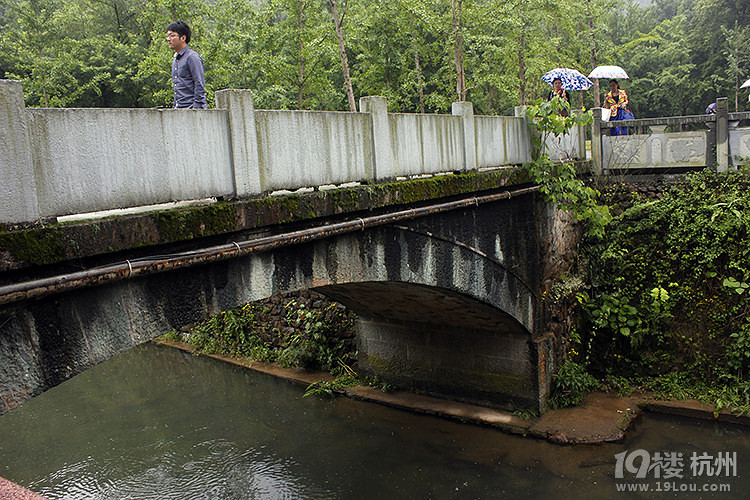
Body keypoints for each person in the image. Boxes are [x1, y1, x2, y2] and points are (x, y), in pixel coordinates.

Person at [166, 21, 207, 109]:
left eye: (172, 35)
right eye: (167, 36)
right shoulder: (175, 60)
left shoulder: (192, 57)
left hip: (192, 110)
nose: (168, 39)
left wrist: (196, 109)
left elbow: (199, 83)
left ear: (183, 38)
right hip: (179, 110)